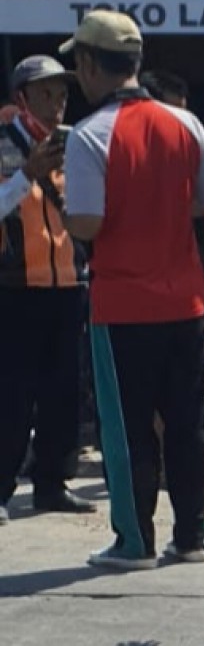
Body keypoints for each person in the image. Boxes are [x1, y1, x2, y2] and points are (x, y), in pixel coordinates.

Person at [59, 10, 204, 571]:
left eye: (77, 64)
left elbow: (86, 223)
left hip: (122, 307)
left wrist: (58, 196)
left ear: (90, 64)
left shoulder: (90, 136)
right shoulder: (185, 124)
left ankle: (134, 541)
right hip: (185, 302)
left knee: (126, 427)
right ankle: (193, 536)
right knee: (186, 421)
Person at [0, 56, 93, 525]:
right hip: (15, 286)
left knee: (64, 390)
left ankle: (53, 483)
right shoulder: (3, 142)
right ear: (22, 99)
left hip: (68, 284)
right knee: (11, 394)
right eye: (45, 95)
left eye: (61, 95)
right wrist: (27, 175)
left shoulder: (75, 143)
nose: (56, 105)